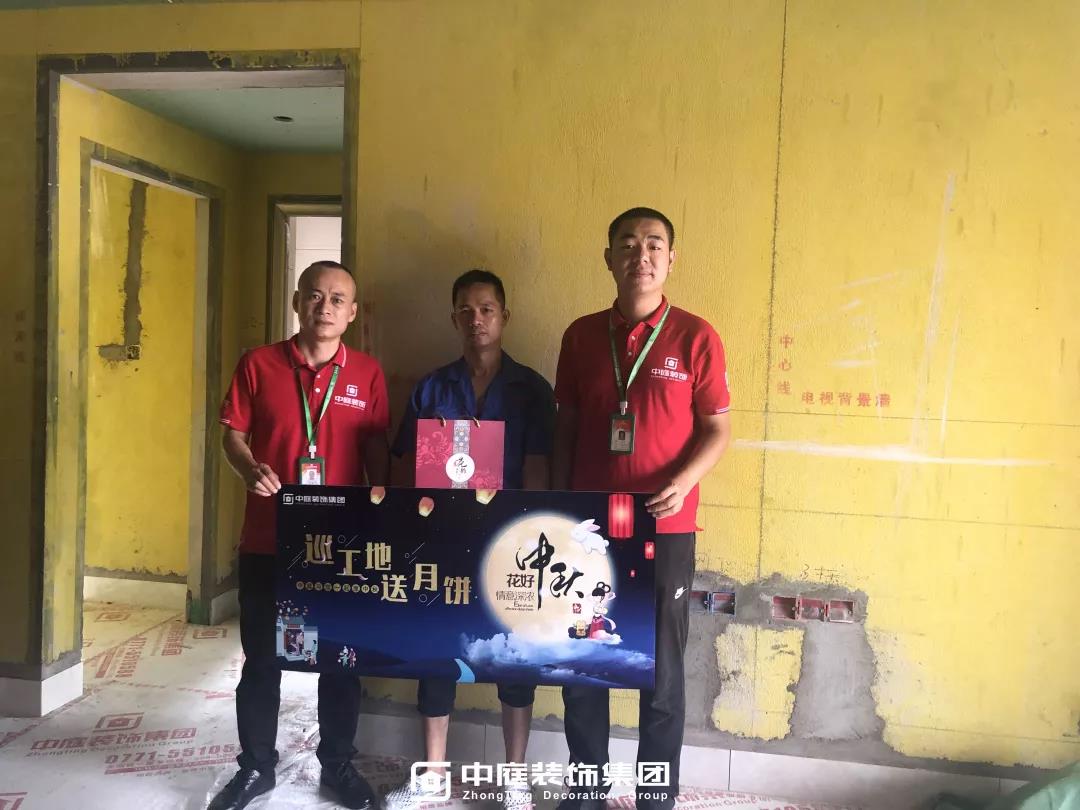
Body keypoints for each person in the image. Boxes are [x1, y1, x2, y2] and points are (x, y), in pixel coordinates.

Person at [552, 208, 732, 810]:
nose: (642, 255)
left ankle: (656, 797)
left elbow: (718, 429)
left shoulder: (696, 337)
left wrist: (684, 481)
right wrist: (557, 508)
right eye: (628, 244)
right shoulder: (580, 337)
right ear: (609, 258)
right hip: (588, 531)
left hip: (665, 527)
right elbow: (565, 428)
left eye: (654, 244)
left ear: (671, 258)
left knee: (661, 674)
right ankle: (587, 791)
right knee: (583, 664)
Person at [209, 261, 390, 810]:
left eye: (337, 299)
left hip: (342, 549)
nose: (324, 307)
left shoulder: (368, 374)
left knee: (341, 661)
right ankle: (256, 767)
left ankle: (337, 765)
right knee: (261, 661)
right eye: (314, 295)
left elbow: (377, 453)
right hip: (269, 540)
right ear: (296, 302)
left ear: (352, 313)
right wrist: (248, 468)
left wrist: (382, 516)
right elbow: (232, 435)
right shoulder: (258, 364)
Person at [383, 269, 555, 810]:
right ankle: (432, 774)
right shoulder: (432, 388)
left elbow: (539, 474)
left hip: (511, 546)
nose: (476, 319)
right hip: (442, 544)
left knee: (515, 661)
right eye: (465, 310)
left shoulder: (532, 390)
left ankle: (515, 779)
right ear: (453, 318)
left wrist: (528, 543)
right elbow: (406, 470)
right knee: (436, 656)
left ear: (505, 316)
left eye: (486, 309)